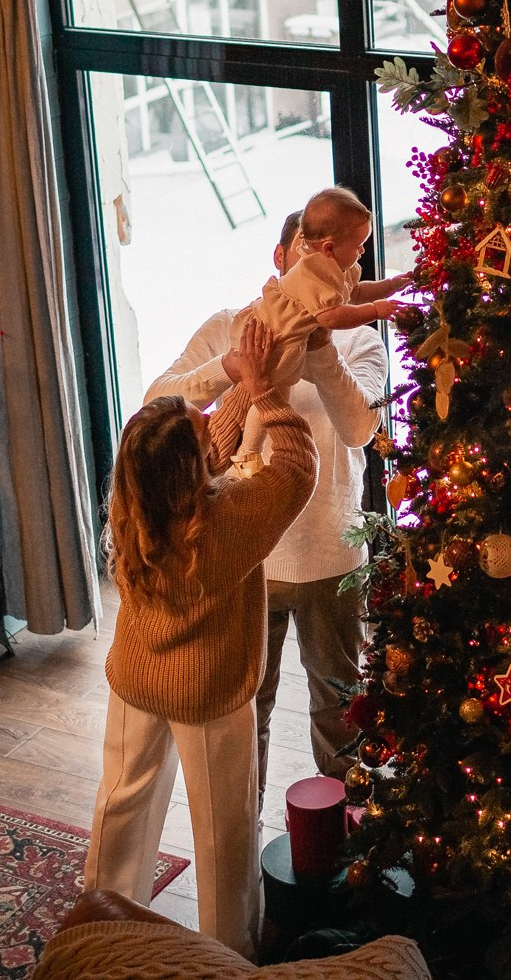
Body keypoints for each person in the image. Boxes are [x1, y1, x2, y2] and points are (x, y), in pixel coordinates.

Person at [85, 318, 313, 960]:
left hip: (137, 675)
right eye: (201, 421)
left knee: (121, 800)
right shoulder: (227, 523)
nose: (211, 420)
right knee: (222, 829)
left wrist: (242, 382)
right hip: (208, 690)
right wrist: (266, 395)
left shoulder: (135, 500)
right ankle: (229, 950)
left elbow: (200, 449)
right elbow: (296, 470)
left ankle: (101, 920)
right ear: (192, 472)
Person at [146, 206, 386, 786]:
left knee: (340, 708)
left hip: (332, 554)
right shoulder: (228, 326)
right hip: (245, 556)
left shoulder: (359, 339)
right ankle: (240, 827)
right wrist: (230, 369)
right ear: (279, 260)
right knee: (246, 709)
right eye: (303, 253)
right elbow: (158, 401)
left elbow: (360, 430)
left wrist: (320, 350)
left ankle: (343, 821)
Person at [223, 186, 408, 466]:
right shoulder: (313, 273)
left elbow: (356, 292)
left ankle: (249, 452)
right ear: (329, 248)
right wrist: (375, 311)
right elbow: (330, 317)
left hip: (287, 337)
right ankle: (249, 451)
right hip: (276, 338)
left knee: (273, 397)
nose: (362, 250)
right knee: (268, 397)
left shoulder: (337, 269)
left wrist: (390, 286)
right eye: (358, 245)